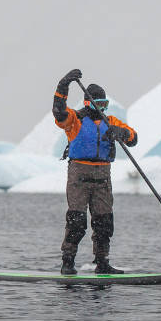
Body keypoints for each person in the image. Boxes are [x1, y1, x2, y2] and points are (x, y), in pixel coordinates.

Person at [53, 69, 138, 275]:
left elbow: (133, 138)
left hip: (103, 177)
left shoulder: (112, 122)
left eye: (105, 105)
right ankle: (68, 261)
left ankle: (102, 262)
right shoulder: (75, 120)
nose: (102, 108)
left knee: (104, 222)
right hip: (79, 176)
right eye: (99, 104)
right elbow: (59, 112)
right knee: (77, 221)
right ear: (87, 103)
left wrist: (122, 132)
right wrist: (63, 86)